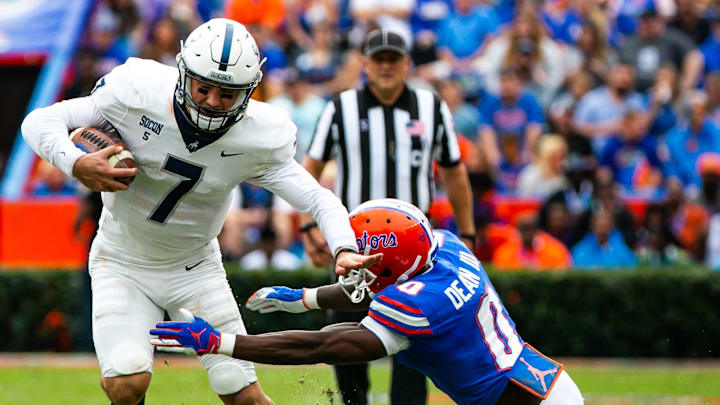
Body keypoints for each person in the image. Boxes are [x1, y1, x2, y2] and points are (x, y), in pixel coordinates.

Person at [21, 18, 380, 405]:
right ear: (182, 73)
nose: (211, 101)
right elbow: (41, 120)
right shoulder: (137, 91)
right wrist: (76, 163)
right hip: (121, 259)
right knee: (126, 380)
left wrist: (344, 247)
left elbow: (318, 199)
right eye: (203, 87)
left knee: (242, 394)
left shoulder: (259, 136)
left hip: (194, 269)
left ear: (247, 92)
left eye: (226, 94)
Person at [150, 198, 584, 405]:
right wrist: (304, 299)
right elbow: (374, 288)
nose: (355, 269)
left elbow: (320, 346)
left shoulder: (421, 306)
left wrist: (220, 343)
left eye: (365, 262)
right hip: (539, 383)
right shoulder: (446, 247)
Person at [300, 29, 475, 405]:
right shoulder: (341, 108)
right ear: (364, 63)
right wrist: (308, 226)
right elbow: (307, 170)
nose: (384, 66)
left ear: (406, 64)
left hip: (416, 249)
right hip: (355, 244)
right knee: (344, 335)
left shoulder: (431, 108)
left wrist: (469, 233)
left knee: (415, 338)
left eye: (392, 59)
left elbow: (454, 170)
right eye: (377, 59)